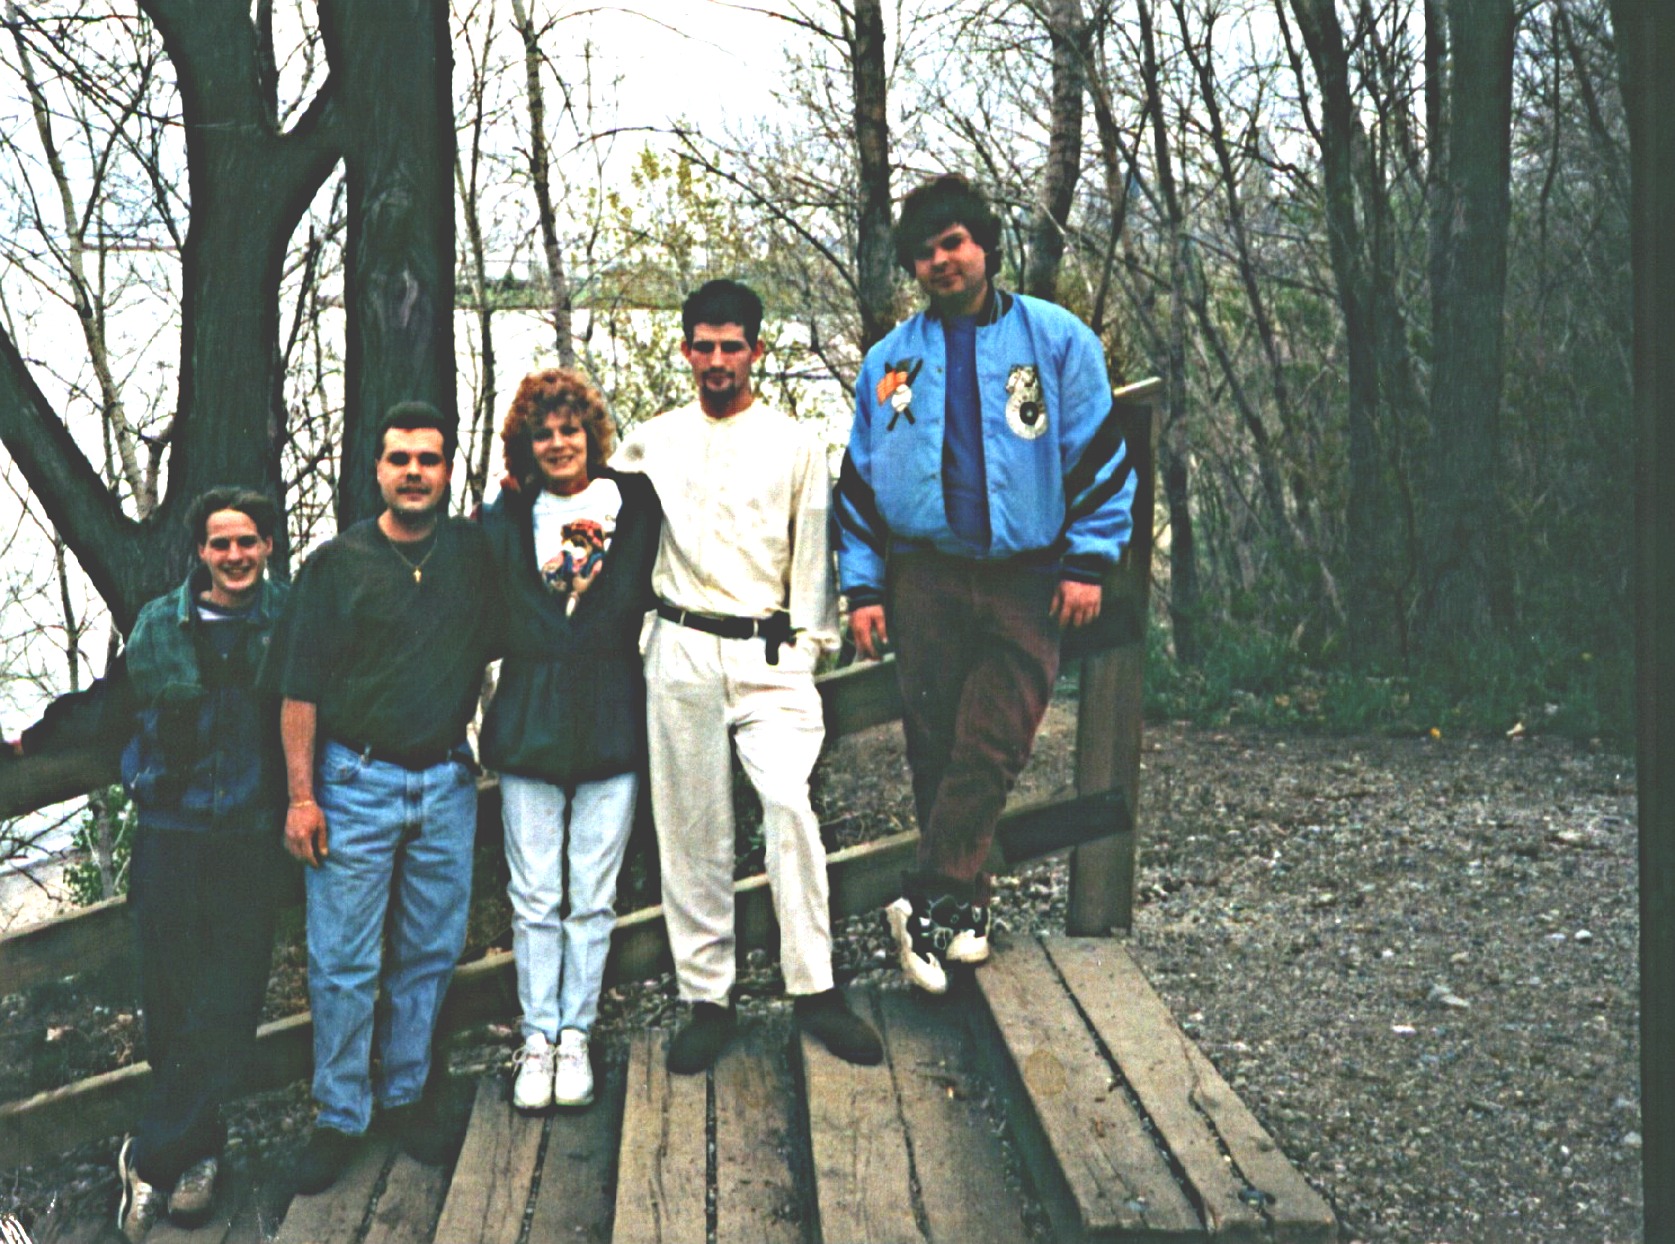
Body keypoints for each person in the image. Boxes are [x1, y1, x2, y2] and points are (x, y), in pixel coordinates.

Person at [834, 174, 1136, 994]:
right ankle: (964, 915)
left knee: (996, 740)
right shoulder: (889, 364)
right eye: (924, 252)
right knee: (935, 744)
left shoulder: (1055, 340)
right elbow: (858, 486)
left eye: (953, 243)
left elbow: (1100, 457)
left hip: (1025, 575)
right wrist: (863, 588)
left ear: (985, 246)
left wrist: (1086, 561)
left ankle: (924, 899)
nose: (941, 261)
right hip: (924, 576)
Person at [612, 279, 881, 1073]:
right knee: (690, 825)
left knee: (788, 802)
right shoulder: (650, 441)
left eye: (732, 346)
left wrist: (807, 646)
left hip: (768, 653)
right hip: (679, 647)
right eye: (704, 346)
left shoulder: (795, 445)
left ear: (757, 350)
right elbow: (598, 520)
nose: (717, 361)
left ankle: (814, 986)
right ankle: (708, 998)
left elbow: (813, 555)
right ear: (686, 349)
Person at [263, 402, 499, 1193]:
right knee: (342, 961)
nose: (413, 472)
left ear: (447, 469)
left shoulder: (473, 554)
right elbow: (298, 690)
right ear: (376, 470)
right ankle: (339, 1113)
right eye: (399, 458)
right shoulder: (339, 565)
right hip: (354, 783)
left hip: (445, 781)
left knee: (429, 950)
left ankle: (405, 1094)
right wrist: (302, 798)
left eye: (428, 459)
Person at [104, 487, 289, 1240]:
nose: (234, 555)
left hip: (250, 838)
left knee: (232, 1002)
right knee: (173, 1001)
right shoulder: (158, 625)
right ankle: (198, 1154)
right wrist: (34, 738)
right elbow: (113, 708)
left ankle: (149, 1157)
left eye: (247, 541)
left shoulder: (291, 619)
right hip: (171, 836)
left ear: (267, 546)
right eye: (220, 543)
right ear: (201, 551)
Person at [478, 369, 660, 1111]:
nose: (557, 444)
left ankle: (576, 1034)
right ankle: (538, 1036)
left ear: (591, 434)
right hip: (529, 721)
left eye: (569, 429)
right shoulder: (506, 517)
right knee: (533, 896)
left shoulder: (633, 504)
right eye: (542, 434)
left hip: (611, 717)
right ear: (526, 445)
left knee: (592, 893)